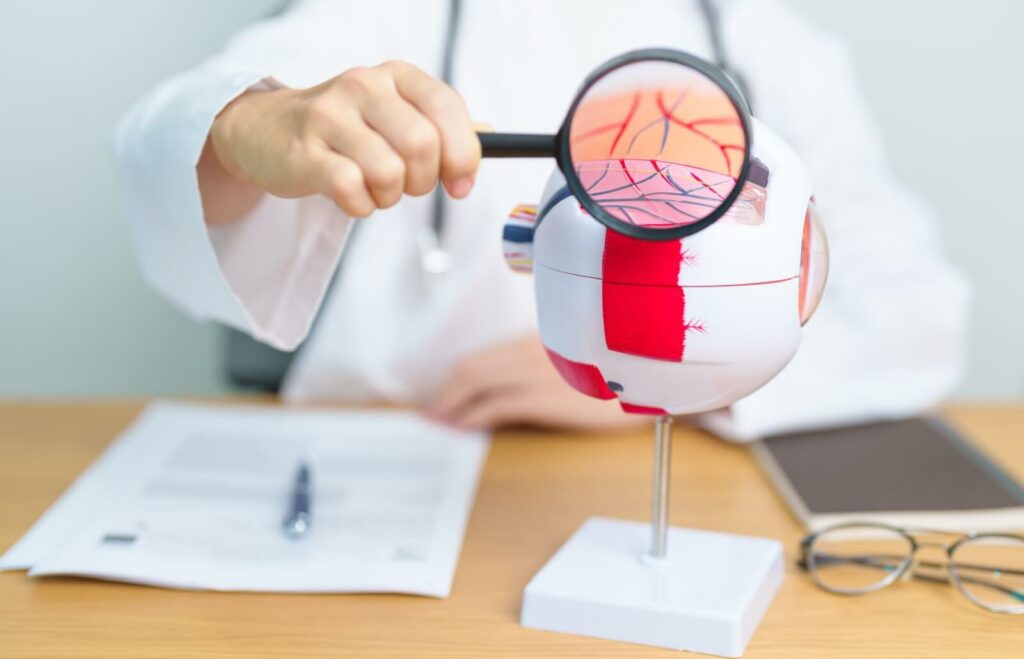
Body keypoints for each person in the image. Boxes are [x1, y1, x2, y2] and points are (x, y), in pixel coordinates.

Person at [115, 0, 968, 440]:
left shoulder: (764, 40)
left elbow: (919, 312)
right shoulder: (380, 14)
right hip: (402, 447)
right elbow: (176, 142)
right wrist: (251, 126)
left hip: (635, 472)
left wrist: (665, 388)